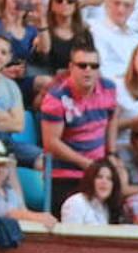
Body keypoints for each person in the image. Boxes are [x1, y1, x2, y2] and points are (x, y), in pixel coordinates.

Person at [40, 40, 118, 215]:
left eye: (94, 65)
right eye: (82, 65)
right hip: (64, 175)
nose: (88, 70)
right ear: (71, 67)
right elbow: (51, 143)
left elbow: (113, 118)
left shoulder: (109, 88)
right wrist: (86, 164)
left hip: (98, 173)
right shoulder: (56, 98)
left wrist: (111, 152)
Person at [0, 34, 42, 167]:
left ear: (9, 58)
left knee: (44, 159)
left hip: (7, 143)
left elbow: (18, 126)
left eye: (3, 53)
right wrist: (5, 115)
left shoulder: (11, 86)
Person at [60, 155, 124, 225]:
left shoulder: (105, 207)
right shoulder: (76, 202)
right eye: (99, 177)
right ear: (90, 180)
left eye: (109, 179)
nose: (104, 182)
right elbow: (70, 234)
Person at [90, 0, 138, 81]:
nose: (121, 10)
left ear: (132, 9)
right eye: (116, 3)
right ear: (107, 3)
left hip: (134, 89)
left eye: (127, 5)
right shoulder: (93, 29)